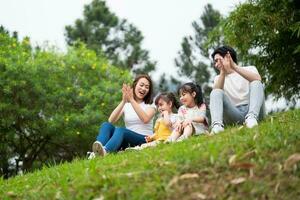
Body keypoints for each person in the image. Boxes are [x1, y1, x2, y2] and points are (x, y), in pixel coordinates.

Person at [88, 74, 156, 159]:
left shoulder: (151, 105)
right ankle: (97, 152)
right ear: (135, 86)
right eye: (141, 85)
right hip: (127, 140)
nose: (143, 88)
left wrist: (131, 100)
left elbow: (145, 119)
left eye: (147, 87)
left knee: (121, 130)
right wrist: (124, 101)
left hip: (144, 139)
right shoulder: (127, 105)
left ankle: (105, 151)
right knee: (106, 125)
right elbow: (111, 120)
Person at [209, 46, 265, 134]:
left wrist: (234, 67)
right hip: (234, 114)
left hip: (255, 111)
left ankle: (251, 118)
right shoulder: (218, 78)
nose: (216, 65)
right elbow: (216, 95)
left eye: (217, 60)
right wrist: (223, 72)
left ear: (228, 56)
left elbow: (258, 79)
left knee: (256, 83)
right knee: (215, 92)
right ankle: (217, 126)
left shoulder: (250, 69)